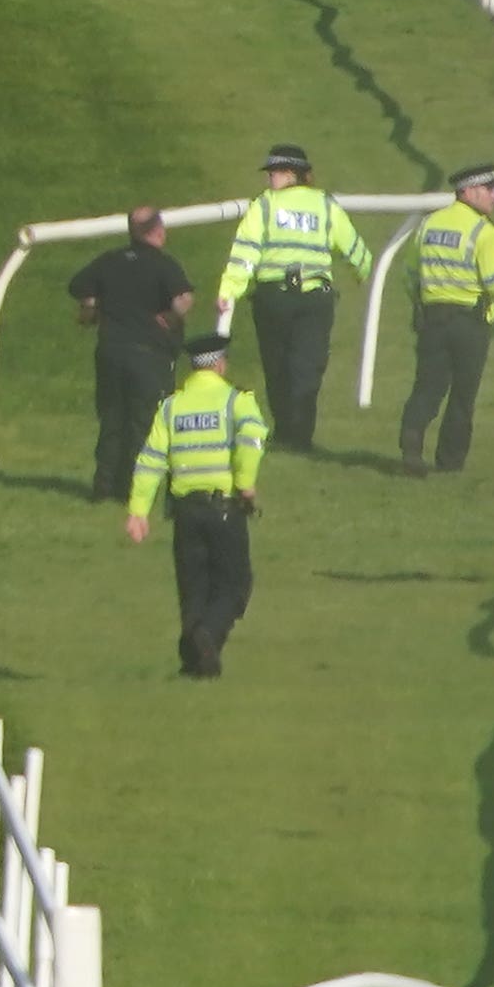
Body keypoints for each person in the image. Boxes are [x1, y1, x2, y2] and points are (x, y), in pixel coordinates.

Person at [124, 324, 263, 678]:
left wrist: (138, 510)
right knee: (234, 585)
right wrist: (246, 485)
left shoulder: (172, 408)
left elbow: (151, 459)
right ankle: (207, 637)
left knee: (194, 588)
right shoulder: (237, 401)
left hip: (185, 512)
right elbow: (252, 440)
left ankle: (196, 663)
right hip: (224, 509)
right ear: (220, 365)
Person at [216, 143, 366, 453]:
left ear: (291, 174)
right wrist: (365, 274)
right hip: (315, 300)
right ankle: (300, 435)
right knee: (308, 367)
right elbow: (353, 247)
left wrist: (229, 290)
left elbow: (246, 252)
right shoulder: (325, 205)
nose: (269, 177)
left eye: (275, 172)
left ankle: (287, 431)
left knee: (277, 367)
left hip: (273, 298)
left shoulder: (265, 206)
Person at [68, 204, 195, 505]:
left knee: (112, 418)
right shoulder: (165, 265)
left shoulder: (110, 261)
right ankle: (133, 489)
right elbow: (184, 298)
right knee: (143, 423)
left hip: (110, 352)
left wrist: (90, 305)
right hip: (148, 356)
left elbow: (79, 286)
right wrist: (171, 318)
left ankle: (103, 487)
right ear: (159, 231)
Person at [394, 166, 494, 476]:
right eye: (488, 189)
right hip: (469, 324)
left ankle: (411, 444)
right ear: (470, 192)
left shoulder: (429, 224)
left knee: (427, 388)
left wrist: (422, 302)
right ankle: (450, 463)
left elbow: (408, 275)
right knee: (463, 395)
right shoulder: (484, 231)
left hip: (432, 319)